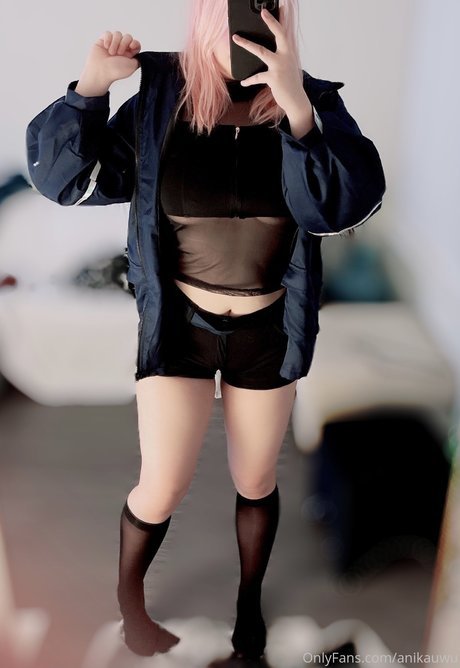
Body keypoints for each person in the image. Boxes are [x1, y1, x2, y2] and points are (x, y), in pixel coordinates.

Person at [26, 0, 385, 660]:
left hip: (268, 330)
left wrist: (297, 108)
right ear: (206, 17)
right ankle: (131, 609)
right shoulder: (162, 99)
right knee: (161, 484)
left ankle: (249, 614)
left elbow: (341, 204)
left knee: (256, 482)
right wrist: (90, 89)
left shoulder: (311, 101)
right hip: (181, 327)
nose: (248, 25)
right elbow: (63, 180)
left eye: (266, 9)